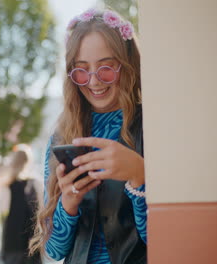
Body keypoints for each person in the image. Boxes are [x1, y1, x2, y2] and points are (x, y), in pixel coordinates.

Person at [29, 8, 147, 264]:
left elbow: (164, 239)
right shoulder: (62, 136)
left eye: (106, 68)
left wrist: (139, 175)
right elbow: (54, 250)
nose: (94, 81)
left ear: (127, 64)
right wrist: (68, 204)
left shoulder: (150, 127)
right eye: (81, 70)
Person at [0, 144, 42, 264]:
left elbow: (2, 209)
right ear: (29, 162)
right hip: (32, 243)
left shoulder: (7, 186)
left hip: (13, 243)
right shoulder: (36, 184)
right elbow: (42, 211)